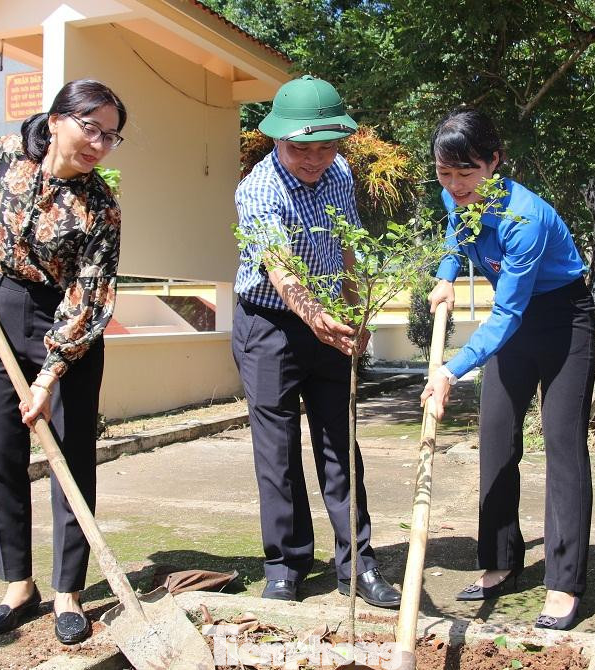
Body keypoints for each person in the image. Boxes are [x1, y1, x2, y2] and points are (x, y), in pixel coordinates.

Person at [0, 79, 126, 644]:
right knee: (2, 454)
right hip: (0, 310)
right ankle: (18, 585)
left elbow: (91, 298)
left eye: (111, 136)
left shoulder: (101, 207)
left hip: (68, 324)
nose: (99, 143)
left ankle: (68, 590)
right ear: (59, 119)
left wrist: (48, 375)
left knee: (69, 458)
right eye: (91, 128)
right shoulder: (10, 154)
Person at [419, 107, 595, 630]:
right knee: (496, 436)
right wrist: (447, 274)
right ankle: (499, 561)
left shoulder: (525, 219)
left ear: (494, 161)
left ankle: (564, 583)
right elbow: (456, 231)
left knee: (562, 444)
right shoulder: (458, 195)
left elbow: (509, 314)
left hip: (563, 319)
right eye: (443, 173)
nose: (453, 185)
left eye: (466, 172)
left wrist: (451, 369)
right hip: (513, 323)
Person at [232, 75, 401, 609]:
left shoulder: (340, 174)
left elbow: (346, 248)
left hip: (328, 321)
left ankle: (359, 563)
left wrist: (352, 310)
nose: (314, 159)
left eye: (326, 147)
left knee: (339, 444)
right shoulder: (258, 188)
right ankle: (286, 565)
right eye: (301, 148)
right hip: (270, 325)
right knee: (276, 451)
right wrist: (315, 316)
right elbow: (278, 265)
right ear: (277, 139)